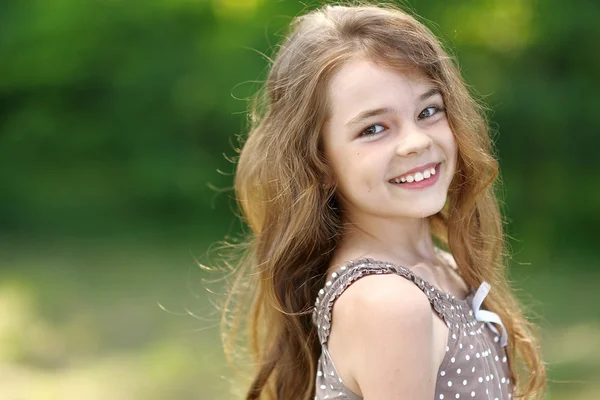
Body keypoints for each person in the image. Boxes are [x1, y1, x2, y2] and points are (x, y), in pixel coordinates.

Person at [216, 3, 547, 399]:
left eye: (428, 110)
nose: (416, 142)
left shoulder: (438, 269)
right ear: (318, 162)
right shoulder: (388, 303)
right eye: (374, 128)